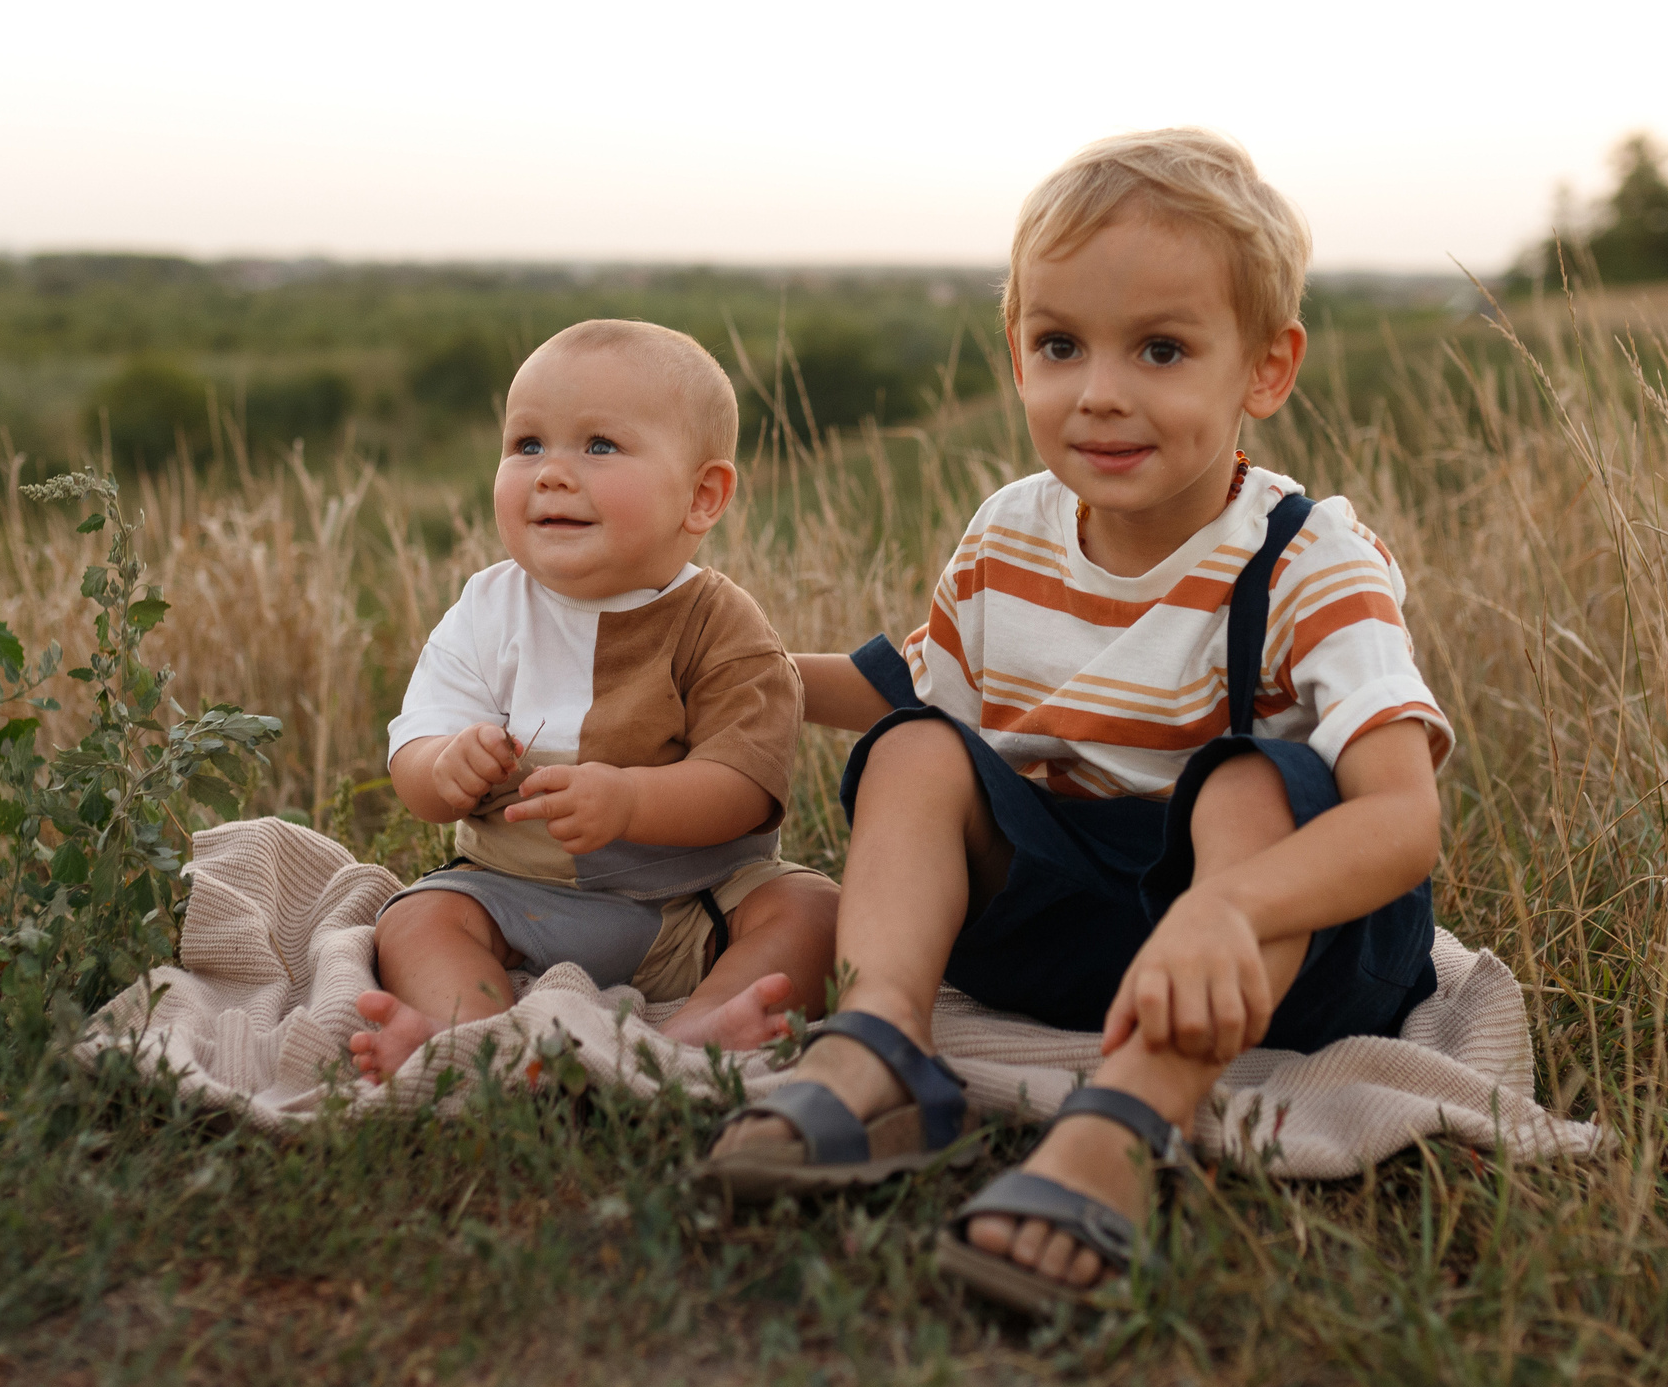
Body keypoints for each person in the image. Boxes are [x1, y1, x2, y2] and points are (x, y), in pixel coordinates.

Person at [703, 130, 1453, 1314]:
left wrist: (1229, 907)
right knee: (913, 748)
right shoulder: (1011, 531)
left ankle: (1120, 1121)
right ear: (1015, 354)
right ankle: (885, 1043)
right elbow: (912, 686)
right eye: (1059, 346)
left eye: (1160, 349)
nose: (1098, 391)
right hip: (1067, 932)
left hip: (1273, 947)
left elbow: (1402, 822)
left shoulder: (1311, 557)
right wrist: (725, 677)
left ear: (1264, 369)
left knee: (1251, 779)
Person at [350, 320, 840, 1083]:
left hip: (694, 903)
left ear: (702, 495)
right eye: (527, 445)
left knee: (814, 911)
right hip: (518, 896)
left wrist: (631, 799)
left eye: (600, 446)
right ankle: (475, 1034)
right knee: (416, 918)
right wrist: (446, 766)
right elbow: (415, 753)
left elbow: (747, 784)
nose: (551, 473)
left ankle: (693, 1029)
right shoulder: (487, 609)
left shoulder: (722, 624)